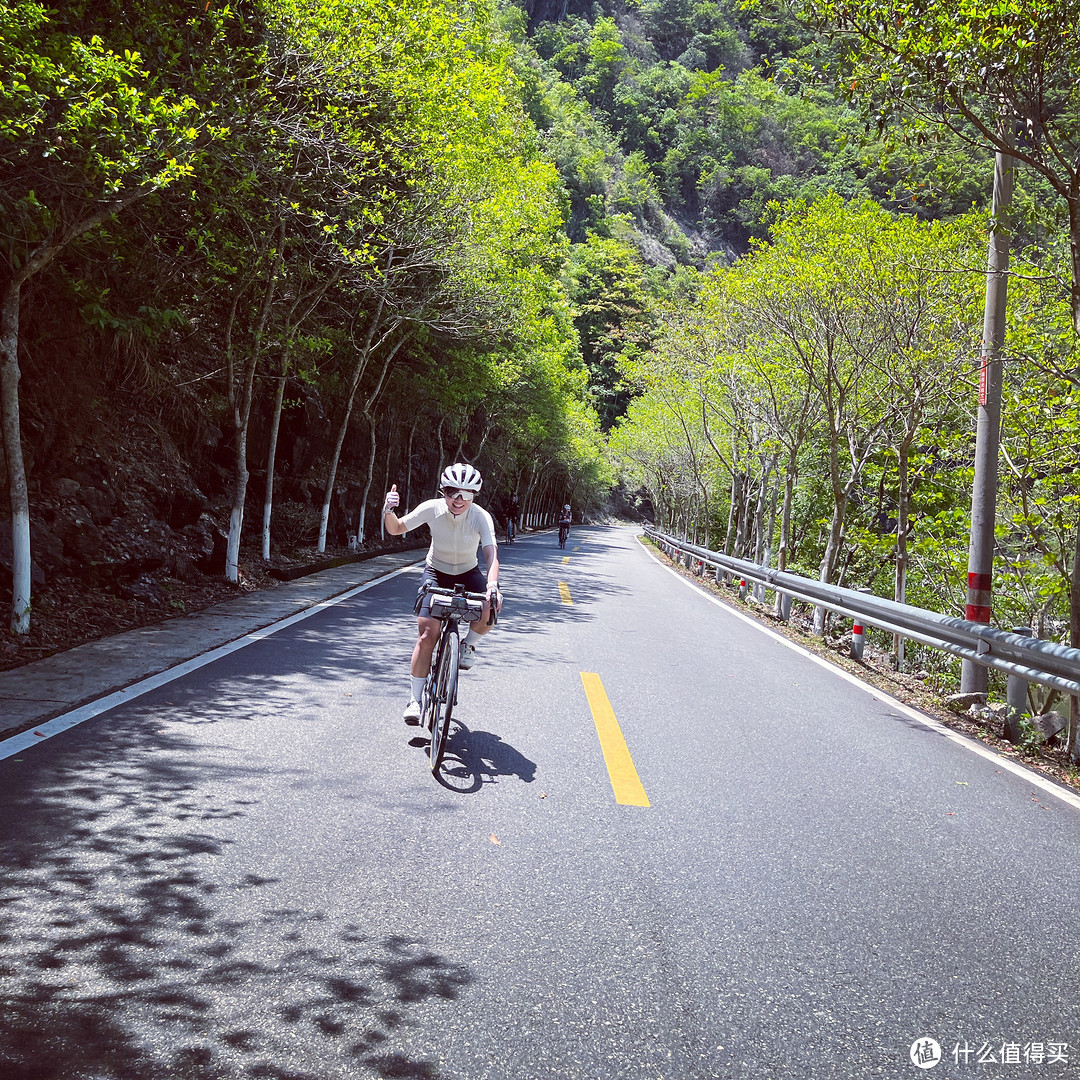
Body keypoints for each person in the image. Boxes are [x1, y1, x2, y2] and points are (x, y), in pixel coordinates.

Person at [382, 463, 502, 725]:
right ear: (443, 492)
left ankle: (468, 643)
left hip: (468, 573)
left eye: (466, 495)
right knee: (427, 634)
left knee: (491, 606)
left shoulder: (480, 516)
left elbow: (491, 554)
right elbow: (396, 528)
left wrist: (492, 585)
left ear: (474, 496)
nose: (459, 500)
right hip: (436, 571)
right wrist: (388, 510)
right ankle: (415, 700)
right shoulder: (432, 508)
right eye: (452, 492)